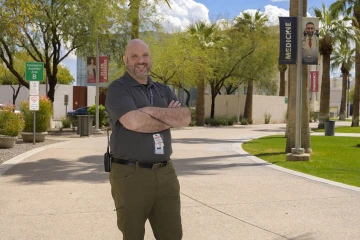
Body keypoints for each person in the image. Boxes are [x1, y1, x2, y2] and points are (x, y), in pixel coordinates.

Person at [105, 39, 191, 240]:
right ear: (125, 60)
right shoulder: (118, 88)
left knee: (172, 235)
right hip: (130, 175)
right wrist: (168, 117)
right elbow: (134, 122)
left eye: (145, 55)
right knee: (133, 235)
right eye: (134, 56)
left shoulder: (162, 89)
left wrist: (149, 111)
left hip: (166, 173)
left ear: (150, 58)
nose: (140, 61)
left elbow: (185, 117)